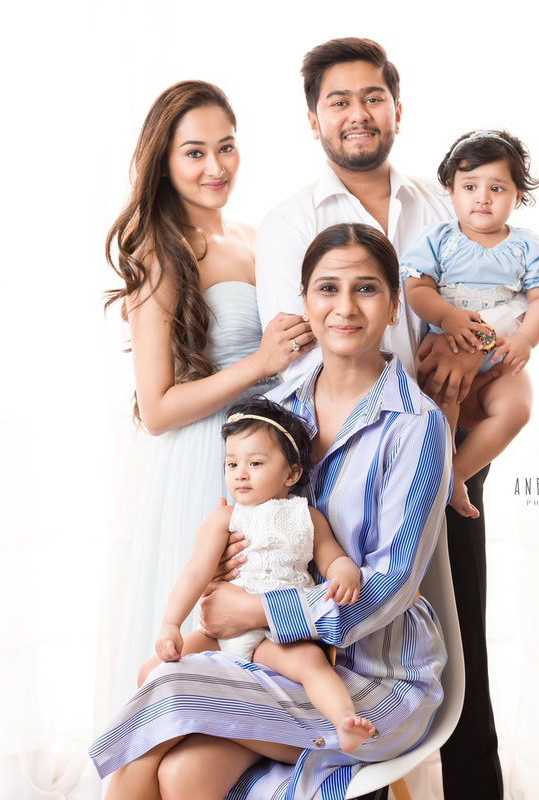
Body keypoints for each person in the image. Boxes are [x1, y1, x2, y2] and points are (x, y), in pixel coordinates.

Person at [254, 37, 539, 798]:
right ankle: (365, 776)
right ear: (314, 120)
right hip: (345, 456)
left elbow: (496, 304)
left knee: (461, 636)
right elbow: (298, 354)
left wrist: (465, 353)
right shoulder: (291, 221)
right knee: (360, 626)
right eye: (339, 102)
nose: (358, 115)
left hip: (444, 444)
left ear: (396, 108)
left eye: (372, 98)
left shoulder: (440, 201)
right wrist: (427, 362)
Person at [89, 223, 451, 800]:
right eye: (327, 289)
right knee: (180, 766)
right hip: (263, 657)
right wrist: (223, 593)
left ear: (392, 305)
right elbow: (235, 535)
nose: (345, 307)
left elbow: (392, 583)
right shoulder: (275, 410)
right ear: (305, 301)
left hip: (372, 675)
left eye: (366, 289)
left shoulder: (416, 424)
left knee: (162, 697)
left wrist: (257, 608)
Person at [94, 80, 314, 724]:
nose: (215, 167)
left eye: (226, 147)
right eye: (194, 152)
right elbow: (158, 408)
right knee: (203, 632)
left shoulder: (254, 237)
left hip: (267, 452)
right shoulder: (161, 254)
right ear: (164, 161)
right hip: (203, 458)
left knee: (265, 636)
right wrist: (260, 363)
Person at [137, 396, 378, 754]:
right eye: (231, 463)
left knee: (312, 664)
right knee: (154, 669)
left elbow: (332, 559)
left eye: (255, 463)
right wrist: (171, 624)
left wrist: (345, 571)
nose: (240, 473)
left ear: (291, 474)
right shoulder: (223, 519)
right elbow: (195, 574)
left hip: (276, 633)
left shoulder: (307, 517)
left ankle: (345, 722)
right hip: (220, 632)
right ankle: (173, 729)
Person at [401, 129, 539, 518]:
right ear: (451, 191)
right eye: (470, 186)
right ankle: (443, 467)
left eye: (497, 188)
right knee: (443, 407)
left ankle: (457, 473)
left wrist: (525, 339)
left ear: (519, 196)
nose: (482, 197)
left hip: (501, 356)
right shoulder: (439, 239)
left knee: (517, 408)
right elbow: (416, 286)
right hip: (450, 350)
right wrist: (446, 316)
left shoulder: (527, 246)